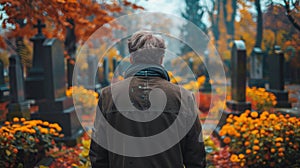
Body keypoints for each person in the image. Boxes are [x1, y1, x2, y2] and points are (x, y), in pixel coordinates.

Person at [89, 30, 206, 168]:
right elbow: (196, 157)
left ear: (131, 58)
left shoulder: (108, 96)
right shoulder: (184, 98)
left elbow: (98, 155)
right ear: (161, 58)